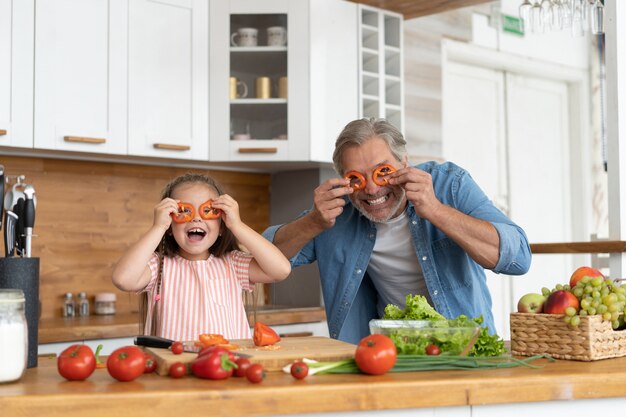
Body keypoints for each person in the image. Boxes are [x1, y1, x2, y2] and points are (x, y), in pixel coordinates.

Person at [263, 118, 531, 344]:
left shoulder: (450, 184)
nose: (371, 189)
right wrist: (313, 222)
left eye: (383, 172)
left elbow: (518, 257)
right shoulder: (337, 210)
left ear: (404, 163)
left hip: (464, 349)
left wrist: (435, 210)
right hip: (387, 352)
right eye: (356, 178)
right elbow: (262, 258)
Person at [113, 173, 291, 341]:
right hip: (175, 367)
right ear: (169, 225)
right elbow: (123, 279)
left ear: (221, 226)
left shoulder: (233, 264)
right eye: (184, 211)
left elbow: (281, 270)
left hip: (225, 366)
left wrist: (237, 225)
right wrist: (157, 228)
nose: (196, 219)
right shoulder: (159, 265)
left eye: (208, 210)